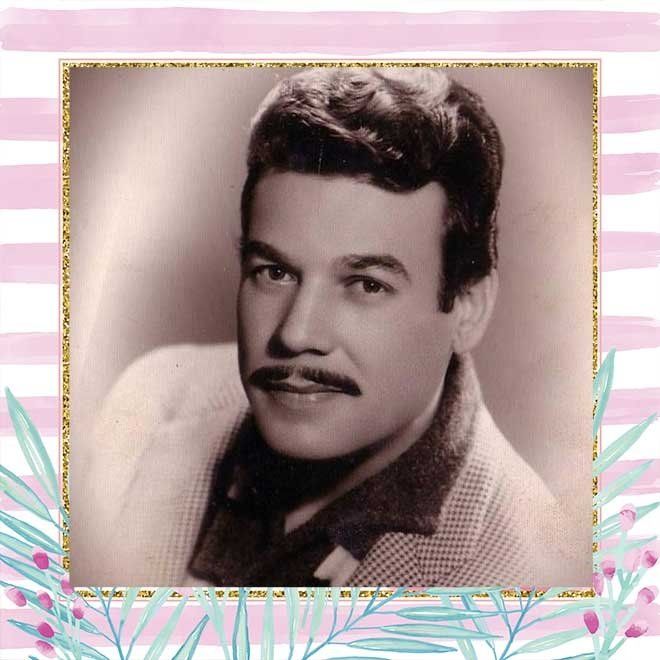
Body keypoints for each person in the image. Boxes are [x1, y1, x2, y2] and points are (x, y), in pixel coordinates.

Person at [73, 67, 575, 587]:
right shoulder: (153, 399)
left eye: (366, 285)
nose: (296, 334)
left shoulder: (525, 580)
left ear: (467, 308)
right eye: (275, 272)